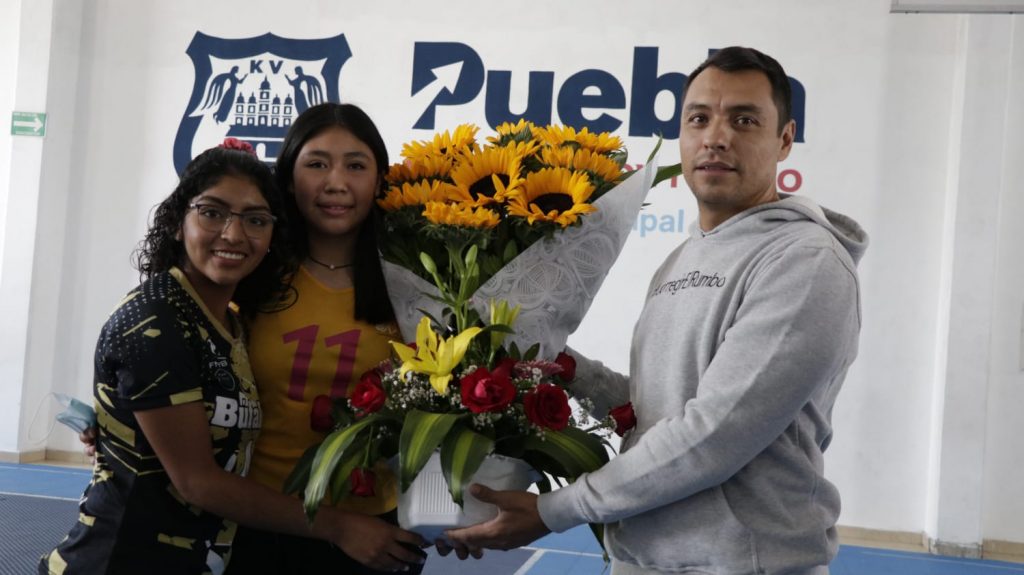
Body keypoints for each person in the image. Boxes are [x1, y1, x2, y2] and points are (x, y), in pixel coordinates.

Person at [446, 46, 868, 575]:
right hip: (643, 558)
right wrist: (562, 366)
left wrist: (555, 510)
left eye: (744, 120)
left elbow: (715, 434)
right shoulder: (682, 257)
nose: (716, 137)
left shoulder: (805, 261)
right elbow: (657, 412)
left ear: (784, 139)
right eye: (699, 119)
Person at [43, 141, 426, 575]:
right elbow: (198, 482)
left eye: (255, 219)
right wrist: (339, 527)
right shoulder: (156, 320)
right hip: (118, 559)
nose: (233, 234)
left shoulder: (232, 320)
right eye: (212, 212)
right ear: (177, 221)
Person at [222, 103, 430, 575]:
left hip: (375, 534)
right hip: (259, 522)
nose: (336, 183)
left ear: (380, 180)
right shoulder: (251, 274)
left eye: (355, 166)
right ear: (288, 178)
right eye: (317, 164)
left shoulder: (416, 284)